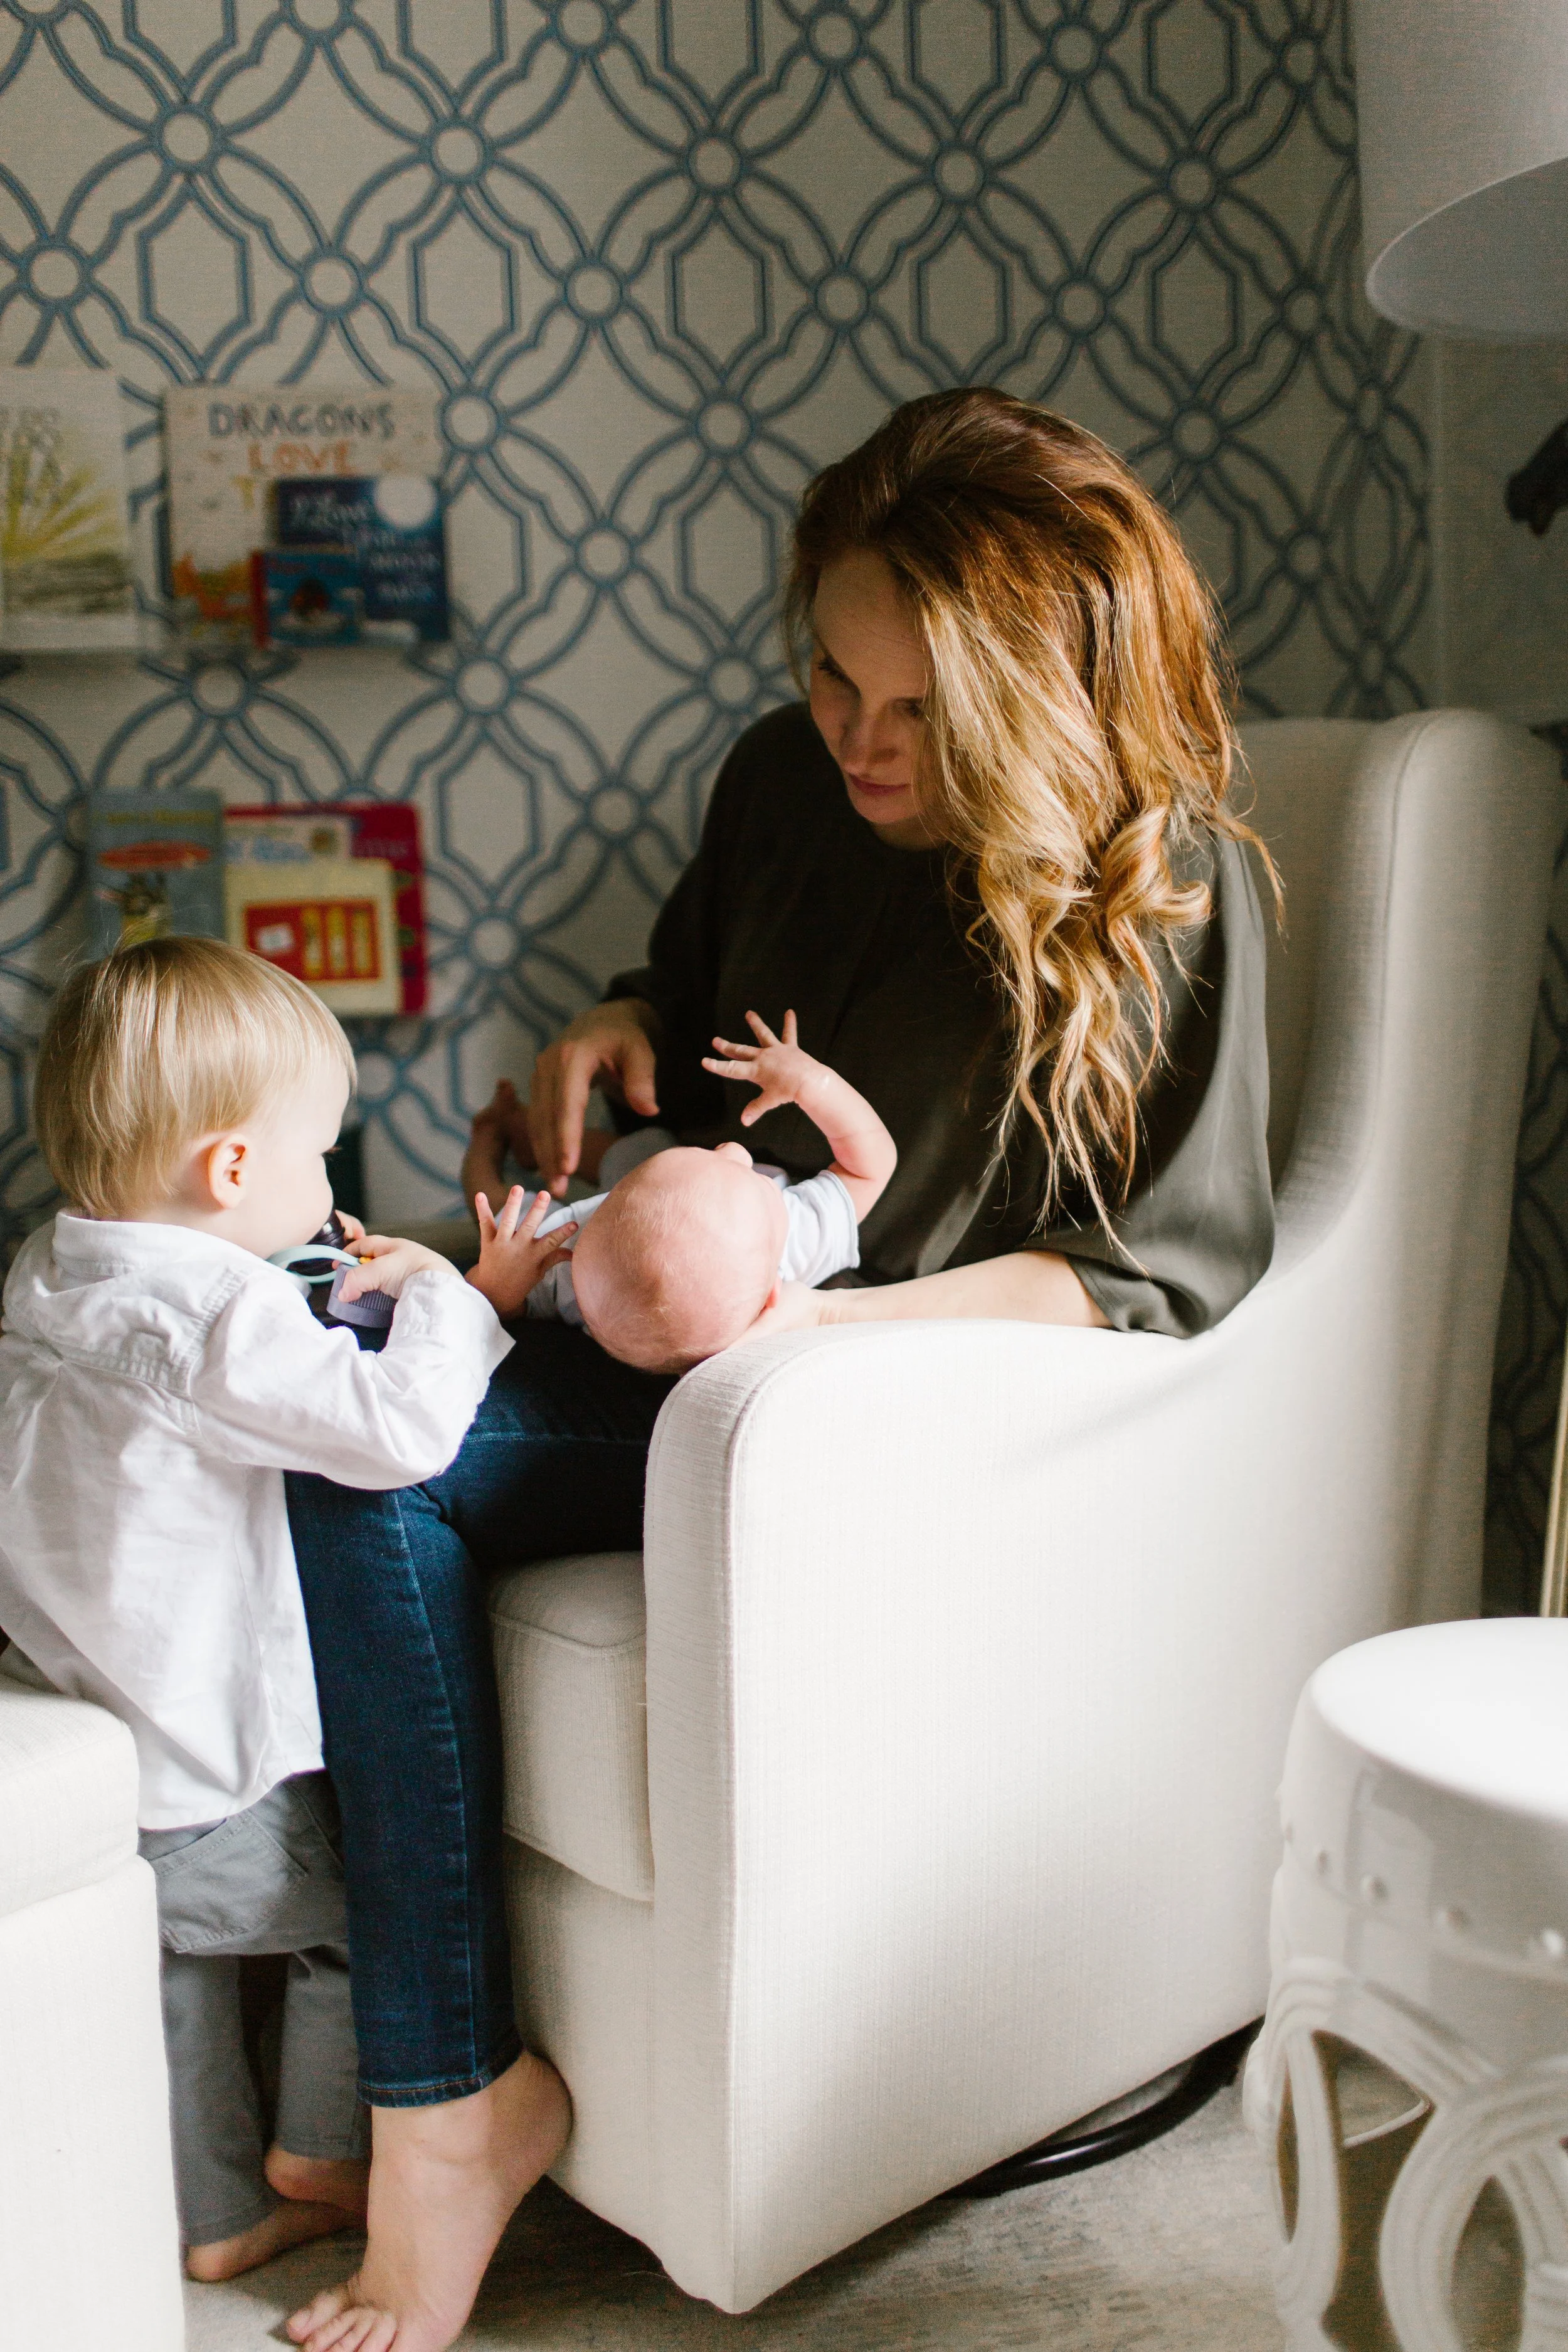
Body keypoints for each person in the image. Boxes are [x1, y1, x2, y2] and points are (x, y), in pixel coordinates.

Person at [282, 386, 1275, 2352]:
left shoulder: (1161, 879)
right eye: (832, 675)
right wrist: (610, 1028)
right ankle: (359, 2060)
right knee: (304, 1366)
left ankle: (440, 2100)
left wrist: (815, 1333)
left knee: (371, 1461)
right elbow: (695, 1008)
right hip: (680, 1324)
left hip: (859, 1405)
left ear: (1041, 696)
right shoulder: (779, 776)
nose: (859, 740)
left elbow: (1151, 1279)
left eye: (920, 710)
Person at [0, 937, 572, 2292]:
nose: (330, 1187)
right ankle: (320, 2156)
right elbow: (397, 1433)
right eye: (320, 1157)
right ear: (231, 1172)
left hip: (95, 1737)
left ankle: (214, 2213)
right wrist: (456, 1298)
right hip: (216, 1759)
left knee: (177, 1978)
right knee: (353, 1922)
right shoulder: (212, 1319)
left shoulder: (48, 1272)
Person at [469, 1009, 898, 1373]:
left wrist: (497, 1287)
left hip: (581, 1241)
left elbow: (481, 1306)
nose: (735, 1150)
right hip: (628, 1220)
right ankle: (538, 1141)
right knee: (639, 1154)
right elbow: (870, 1168)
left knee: (500, 1217)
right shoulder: (793, 1242)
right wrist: (813, 1086)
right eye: (752, 1177)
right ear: (774, 1294)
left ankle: (491, 1137)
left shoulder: (564, 1266)